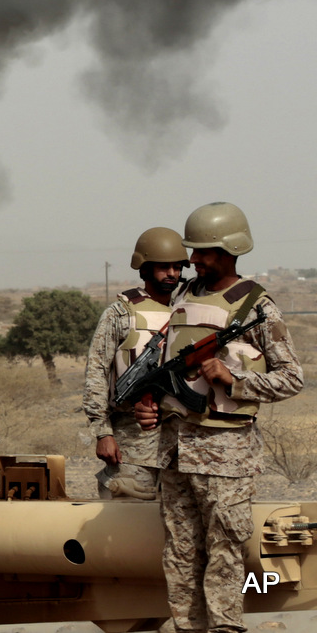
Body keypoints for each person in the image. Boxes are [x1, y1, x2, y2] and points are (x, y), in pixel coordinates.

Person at [134, 202, 303, 633]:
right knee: (180, 552)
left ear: (230, 250)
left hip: (226, 457)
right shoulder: (184, 296)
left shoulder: (256, 305)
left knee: (225, 552)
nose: (193, 260)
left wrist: (235, 379)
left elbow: (291, 379)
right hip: (174, 452)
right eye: (193, 251)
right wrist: (151, 403)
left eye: (203, 252)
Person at [82, 227, 188, 500]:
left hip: (181, 445)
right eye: (164, 267)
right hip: (132, 441)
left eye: (177, 267)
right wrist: (103, 432)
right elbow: (97, 373)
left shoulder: (189, 312)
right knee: (126, 526)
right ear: (145, 268)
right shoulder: (121, 313)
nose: (172, 274)